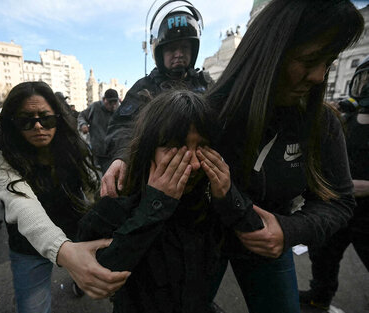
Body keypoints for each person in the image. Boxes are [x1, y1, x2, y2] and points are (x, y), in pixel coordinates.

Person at [203, 1, 364, 312]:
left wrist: (288, 230)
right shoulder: (208, 114)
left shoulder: (322, 123)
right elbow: (143, 132)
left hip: (268, 242)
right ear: (270, 52)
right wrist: (125, 160)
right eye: (309, 60)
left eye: (328, 63)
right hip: (203, 239)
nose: (319, 76)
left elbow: (340, 201)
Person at [78, 89, 247, 313]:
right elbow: (100, 275)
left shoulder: (210, 198)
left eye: (203, 147)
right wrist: (154, 206)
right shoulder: (119, 200)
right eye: (176, 148)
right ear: (148, 148)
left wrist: (228, 196)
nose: (194, 164)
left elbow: (255, 237)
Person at [0, 81, 130, 313]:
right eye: (26, 120)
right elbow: (22, 205)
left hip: (77, 235)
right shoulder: (0, 159)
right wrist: (64, 252)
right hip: (28, 247)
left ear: (58, 118)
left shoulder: (72, 147)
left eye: (46, 118)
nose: (38, 126)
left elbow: (93, 187)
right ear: (13, 123)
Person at [101, 0, 213, 197]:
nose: (178, 55)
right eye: (171, 49)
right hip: (158, 184)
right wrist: (122, 158)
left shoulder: (206, 85)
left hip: (203, 183)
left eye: (184, 47)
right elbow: (122, 128)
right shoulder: (143, 88)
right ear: (159, 52)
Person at [299, 55, 369, 312]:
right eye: (365, 81)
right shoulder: (344, 123)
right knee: (324, 257)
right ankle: (320, 297)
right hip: (339, 212)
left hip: (366, 215)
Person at [78, 88, 119, 173]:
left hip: (113, 152)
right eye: (110, 102)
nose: (113, 105)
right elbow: (82, 115)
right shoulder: (95, 107)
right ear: (104, 100)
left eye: (115, 102)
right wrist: (83, 124)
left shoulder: (118, 111)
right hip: (98, 150)